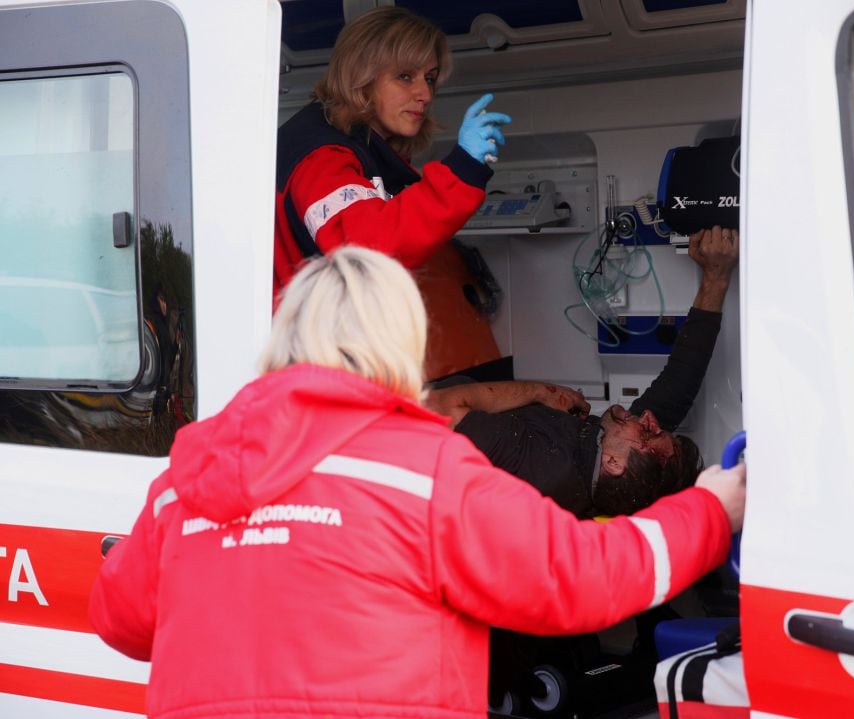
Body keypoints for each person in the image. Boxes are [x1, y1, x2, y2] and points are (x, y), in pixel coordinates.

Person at [88, 246, 746, 719]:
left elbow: (120, 620)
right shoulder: (420, 471)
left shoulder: (185, 478)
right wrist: (710, 509)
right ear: (402, 342)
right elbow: (584, 575)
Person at [427, 225, 739, 518]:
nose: (650, 419)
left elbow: (437, 409)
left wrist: (540, 391)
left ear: (614, 463)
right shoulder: (610, 465)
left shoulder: (540, 466)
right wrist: (716, 277)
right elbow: (679, 384)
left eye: (648, 432)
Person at [275, 6, 511, 379]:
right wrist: (462, 169)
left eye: (430, 79)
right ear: (361, 78)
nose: (424, 94)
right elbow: (367, 250)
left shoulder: (364, 149)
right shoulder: (322, 156)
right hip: (307, 369)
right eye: (405, 77)